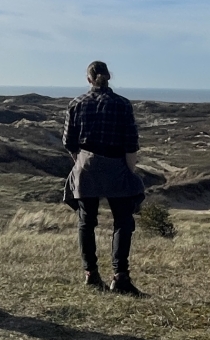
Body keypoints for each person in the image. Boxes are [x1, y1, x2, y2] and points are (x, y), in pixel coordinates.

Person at [61, 61, 146, 295]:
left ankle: (91, 274)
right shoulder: (122, 104)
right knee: (123, 221)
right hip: (116, 165)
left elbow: (68, 142)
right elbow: (131, 143)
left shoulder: (76, 104)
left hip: (86, 166)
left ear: (89, 79)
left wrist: (81, 160)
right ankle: (120, 277)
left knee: (86, 222)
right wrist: (130, 172)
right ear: (109, 77)